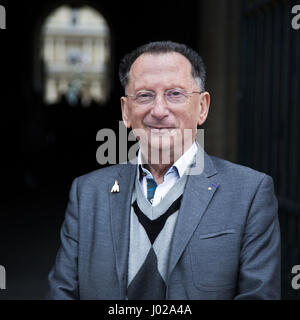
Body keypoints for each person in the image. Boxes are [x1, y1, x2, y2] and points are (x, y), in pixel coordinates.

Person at [46, 41, 281, 300]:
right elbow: (62, 293)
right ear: (126, 111)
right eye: (145, 95)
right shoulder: (87, 193)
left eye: (175, 94)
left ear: (202, 107)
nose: (158, 111)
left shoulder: (250, 193)